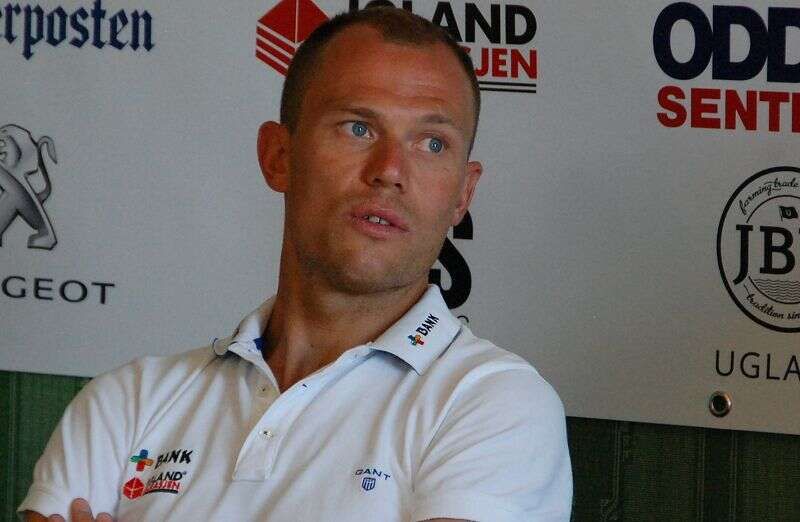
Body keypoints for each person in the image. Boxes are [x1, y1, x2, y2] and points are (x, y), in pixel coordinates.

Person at [20, 7, 572, 522]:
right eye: (358, 128)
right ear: (278, 156)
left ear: (463, 194)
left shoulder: (495, 402)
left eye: (432, 143)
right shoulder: (126, 402)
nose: (389, 170)